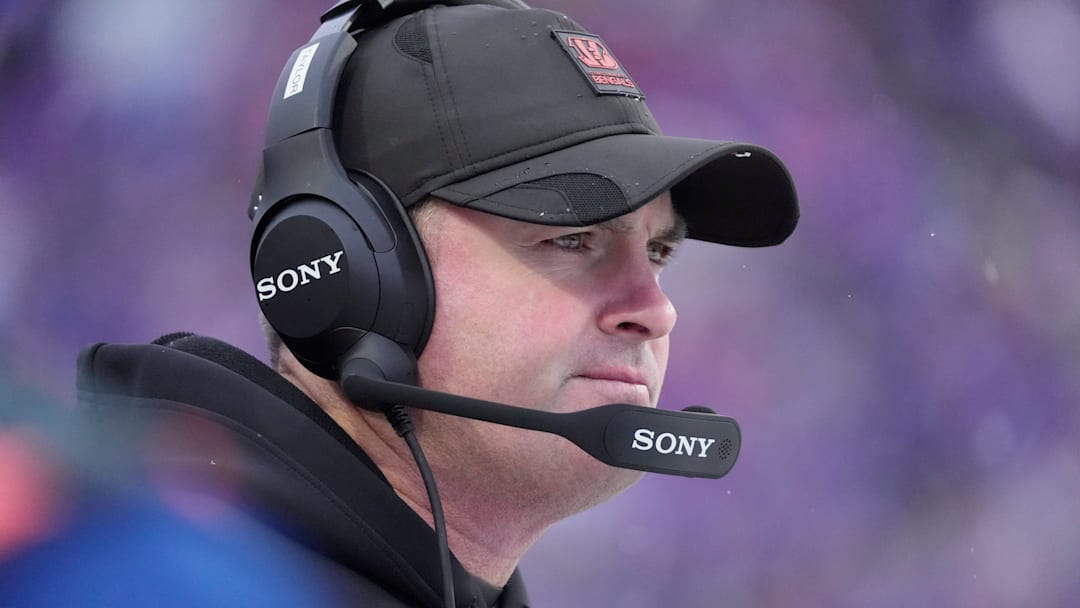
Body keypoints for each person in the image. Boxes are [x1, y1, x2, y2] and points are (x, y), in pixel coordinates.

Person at [77, 1, 797, 606]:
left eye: (660, 252)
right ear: (347, 272)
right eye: (573, 238)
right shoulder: (134, 574)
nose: (656, 311)